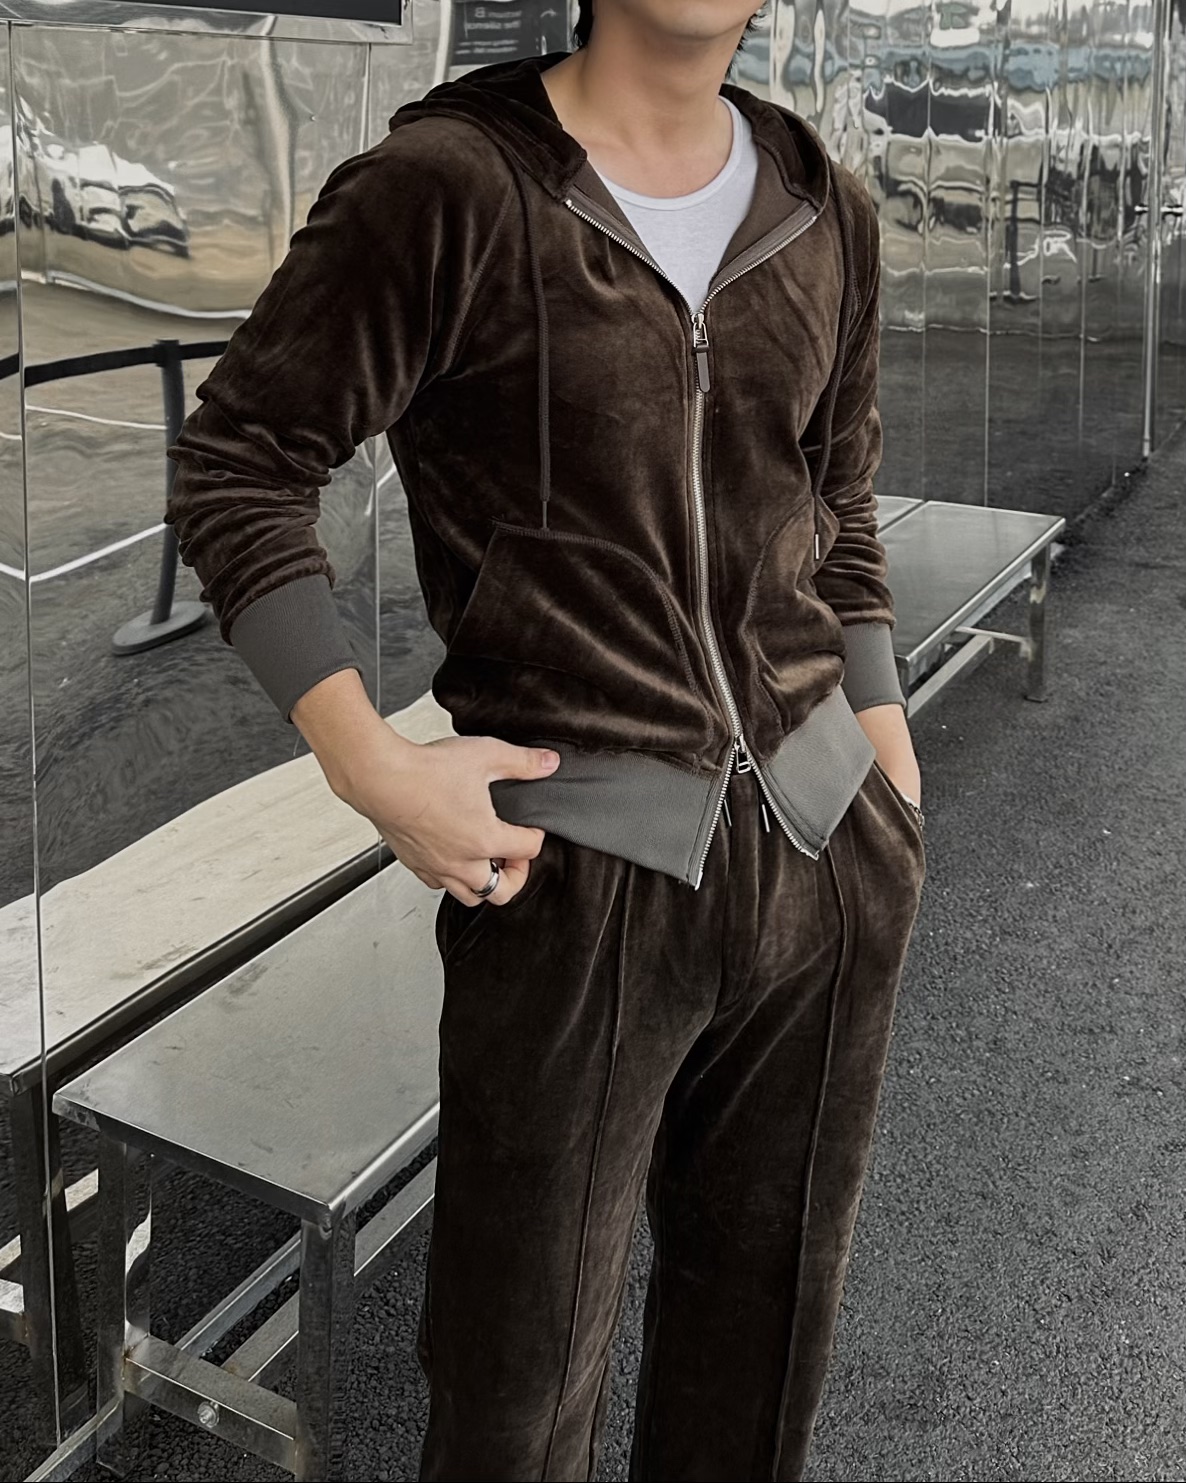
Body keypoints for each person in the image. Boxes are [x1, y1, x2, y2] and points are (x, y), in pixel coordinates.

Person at [164, 3, 928, 1477]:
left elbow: (836, 501)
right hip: (576, 878)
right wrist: (369, 767)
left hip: (827, 856)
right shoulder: (450, 188)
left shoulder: (817, 199)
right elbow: (241, 462)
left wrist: (888, 756)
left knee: (765, 1340)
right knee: (517, 1392)